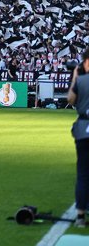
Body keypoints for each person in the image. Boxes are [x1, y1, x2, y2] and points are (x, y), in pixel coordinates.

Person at [68, 49, 89, 228]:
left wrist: (76, 76)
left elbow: (71, 100)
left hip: (83, 128)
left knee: (83, 174)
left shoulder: (81, 80)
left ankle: (81, 216)